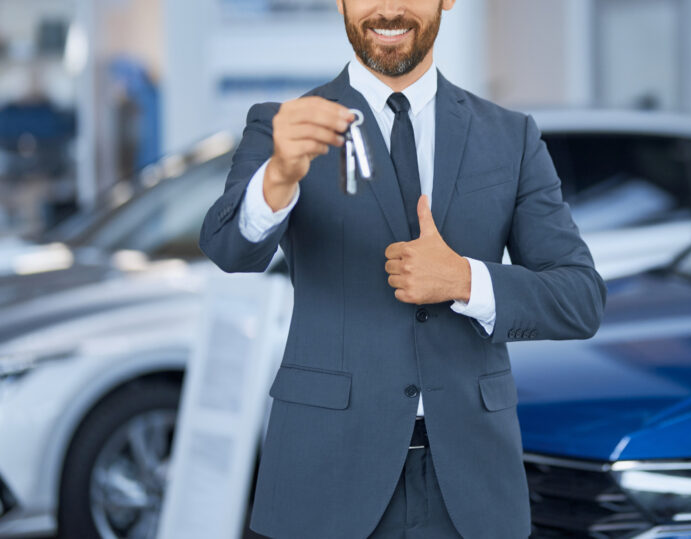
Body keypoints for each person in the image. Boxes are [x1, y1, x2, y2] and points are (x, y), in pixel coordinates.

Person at [198, 0, 606, 537]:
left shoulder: (511, 136)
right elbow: (229, 249)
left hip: (472, 484)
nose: (388, 9)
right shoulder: (283, 128)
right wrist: (277, 178)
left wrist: (463, 279)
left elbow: (579, 299)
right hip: (324, 474)